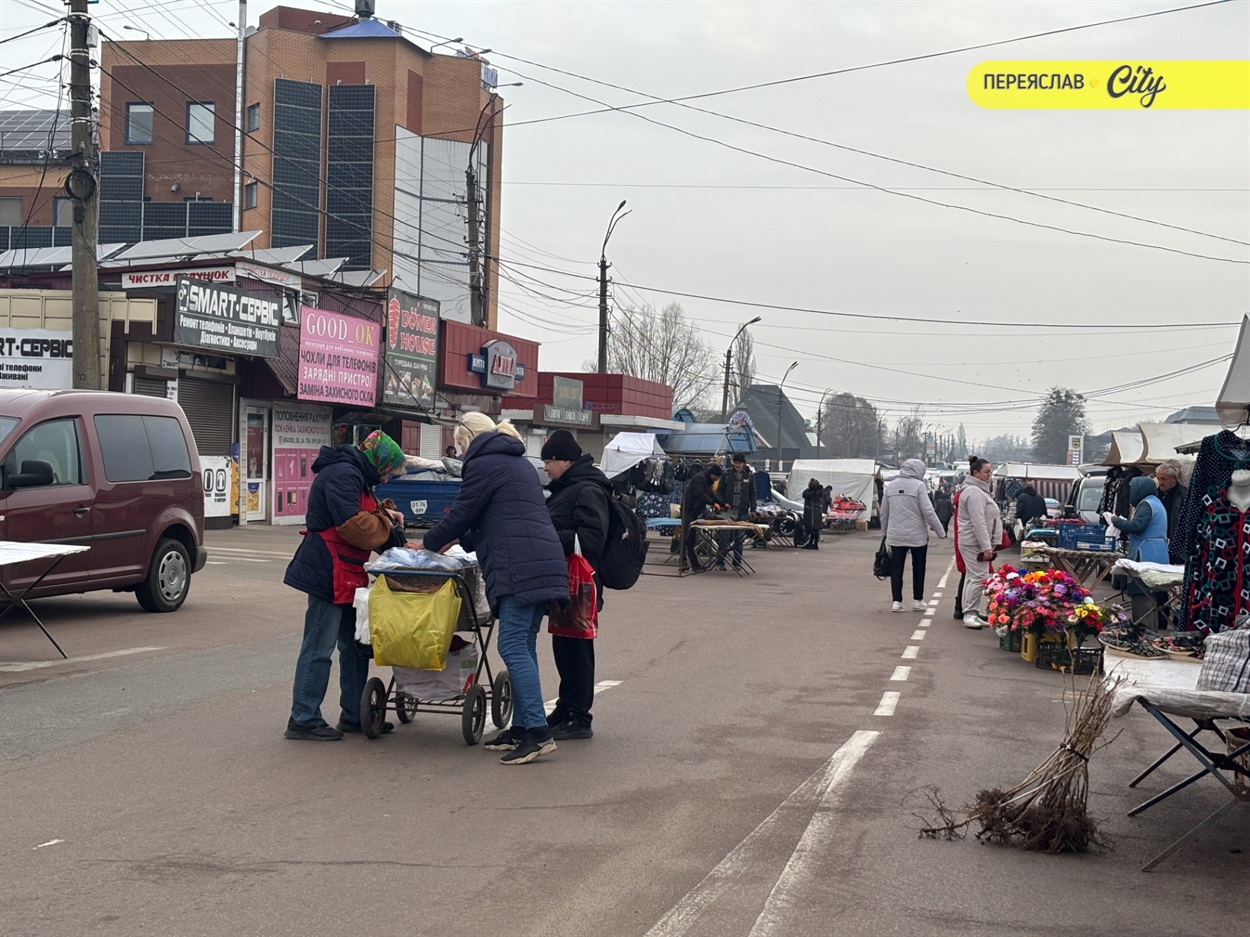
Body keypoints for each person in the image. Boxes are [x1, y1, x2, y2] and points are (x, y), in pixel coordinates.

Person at [422, 412, 569, 765]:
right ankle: (522, 727)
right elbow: (498, 516)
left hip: (519, 564)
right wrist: (459, 539)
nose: (460, 453)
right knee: (524, 644)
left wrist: (427, 544)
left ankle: (537, 733)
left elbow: (463, 513)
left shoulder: (483, 464)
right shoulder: (517, 462)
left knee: (512, 645)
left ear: (468, 439)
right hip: (541, 559)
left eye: (459, 445)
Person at [283, 430, 408, 741]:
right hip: (327, 568)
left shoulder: (358, 476)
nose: (387, 478)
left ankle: (354, 713)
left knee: (354, 647)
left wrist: (390, 526)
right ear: (377, 461)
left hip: (349, 570)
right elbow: (353, 525)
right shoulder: (343, 473)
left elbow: (368, 520)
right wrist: (385, 522)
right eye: (387, 470)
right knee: (319, 647)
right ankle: (303, 718)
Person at [540, 429, 610, 741]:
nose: (545, 467)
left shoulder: (587, 489)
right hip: (564, 580)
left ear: (565, 461)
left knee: (578, 648)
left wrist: (549, 538)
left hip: (581, 582)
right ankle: (566, 707)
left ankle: (580, 716)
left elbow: (592, 538)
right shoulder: (568, 488)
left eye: (549, 461)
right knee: (564, 645)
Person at [880, 459, 946, 612]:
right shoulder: (919, 486)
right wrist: (940, 531)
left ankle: (896, 601)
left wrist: (885, 533)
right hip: (917, 535)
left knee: (896, 568)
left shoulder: (891, 486)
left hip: (895, 535)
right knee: (919, 566)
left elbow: (884, 512)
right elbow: (928, 511)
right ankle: (918, 600)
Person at [1107, 475, 1169, 631]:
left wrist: (1116, 521)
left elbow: (1137, 526)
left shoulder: (1146, 505)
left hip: (1146, 552)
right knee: (1150, 594)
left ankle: (1143, 630)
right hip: (1156, 551)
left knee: (1142, 591)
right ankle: (1150, 631)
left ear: (1140, 490)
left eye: (1133, 490)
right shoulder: (1156, 502)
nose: (1131, 494)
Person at [957, 456, 1004, 629]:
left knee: (972, 577)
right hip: (974, 542)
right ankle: (969, 613)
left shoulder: (978, 491)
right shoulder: (974, 492)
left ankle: (971, 611)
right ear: (975, 473)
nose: (989, 475)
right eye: (986, 472)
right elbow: (978, 522)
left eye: (990, 472)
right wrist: (986, 546)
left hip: (973, 541)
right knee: (979, 578)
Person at [716, 452, 756, 570]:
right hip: (728, 511)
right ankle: (720, 562)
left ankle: (737, 562)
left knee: (740, 537)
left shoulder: (749, 475)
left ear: (744, 464)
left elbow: (753, 493)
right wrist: (721, 504)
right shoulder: (726, 474)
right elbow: (719, 491)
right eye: (735, 463)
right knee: (724, 536)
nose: (737, 465)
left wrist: (753, 509)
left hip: (742, 511)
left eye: (739, 463)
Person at [681, 462, 723, 572]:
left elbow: (711, 494)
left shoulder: (707, 481)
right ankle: (683, 561)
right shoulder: (700, 479)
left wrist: (722, 503)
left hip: (694, 511)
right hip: (688, 510)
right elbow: (699, 494)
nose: (717, 479)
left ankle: (694, 564)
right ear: (712, 474)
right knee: (687, 537)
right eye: (717, 477)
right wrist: (713, 503)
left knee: (691, 538)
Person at [1154, 460, 1188, 563]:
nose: (1160, 482)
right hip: (1158, 542)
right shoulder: (1155, 494)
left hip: (1176, 543)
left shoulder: (1184, 494)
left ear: (1174, 478)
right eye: (1158, 478)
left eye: (1163, 479)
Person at [801, 478, 825, 550]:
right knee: (814, 529)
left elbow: (805, 494)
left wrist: (809, 489)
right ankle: (812, 543)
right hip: (816, 512)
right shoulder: (818, 492)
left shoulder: (813, 493)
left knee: (813, 529)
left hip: (812, 513)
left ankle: (814, 544)